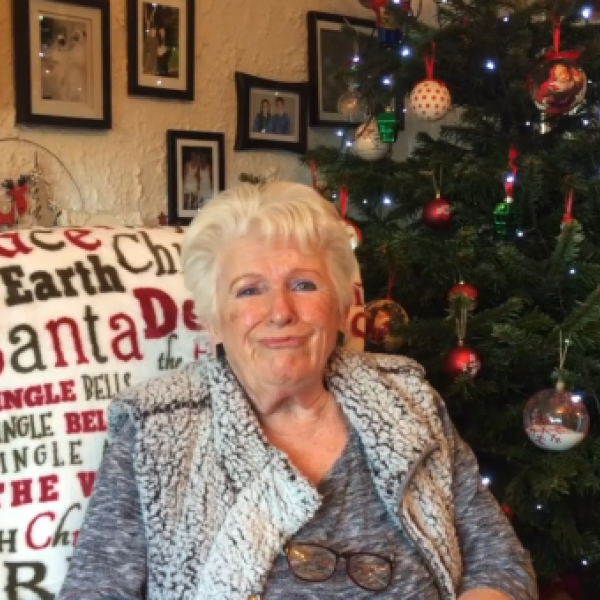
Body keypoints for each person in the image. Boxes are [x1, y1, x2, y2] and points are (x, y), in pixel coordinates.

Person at [57, 182, 537, 600]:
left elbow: (499, 560)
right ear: (213, 321)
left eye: (304, 284)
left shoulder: (409, 401)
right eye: (248, 291)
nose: (280, 311)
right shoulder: (157, 428)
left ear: (342, 305)